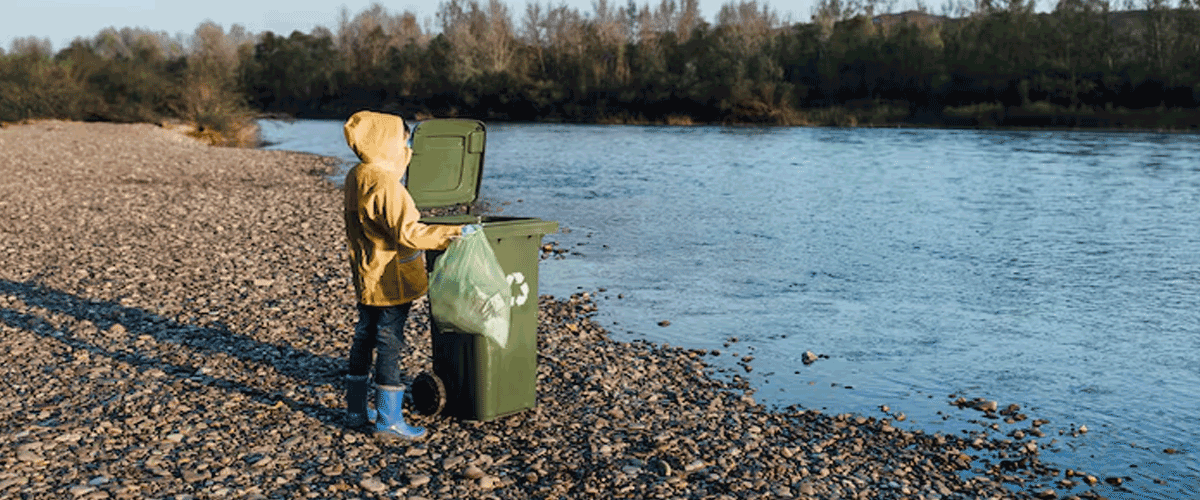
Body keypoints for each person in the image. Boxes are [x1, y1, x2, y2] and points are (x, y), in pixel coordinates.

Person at [341, 110, 476, 440]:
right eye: (403, 138)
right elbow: (410, 234)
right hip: (391, 278)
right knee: (390, 342)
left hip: (366, 272)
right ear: (387, 142)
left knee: (364, 336)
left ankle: (356, 410)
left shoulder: (357, 174)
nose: (407, 145)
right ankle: (388, 419)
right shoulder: (387, 186)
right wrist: (455, 233)